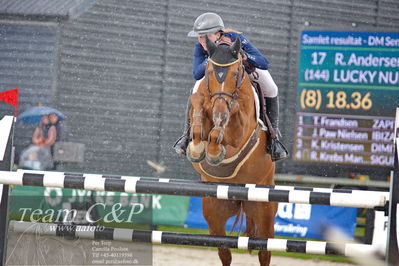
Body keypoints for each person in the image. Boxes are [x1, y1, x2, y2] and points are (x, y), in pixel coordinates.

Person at [173, 12, 287, 161]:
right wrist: (213, 59)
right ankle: (186, 135)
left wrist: (245, 56)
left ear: (218, 33)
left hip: (240, 72)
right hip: (215, 74)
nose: (201, 40)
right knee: (195, 90)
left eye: (205, 36)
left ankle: (273, 139)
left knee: (272, 88)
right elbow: (196, 73)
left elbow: (264, 63)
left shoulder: (236, 38)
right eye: (199, 36)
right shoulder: (200, 47)